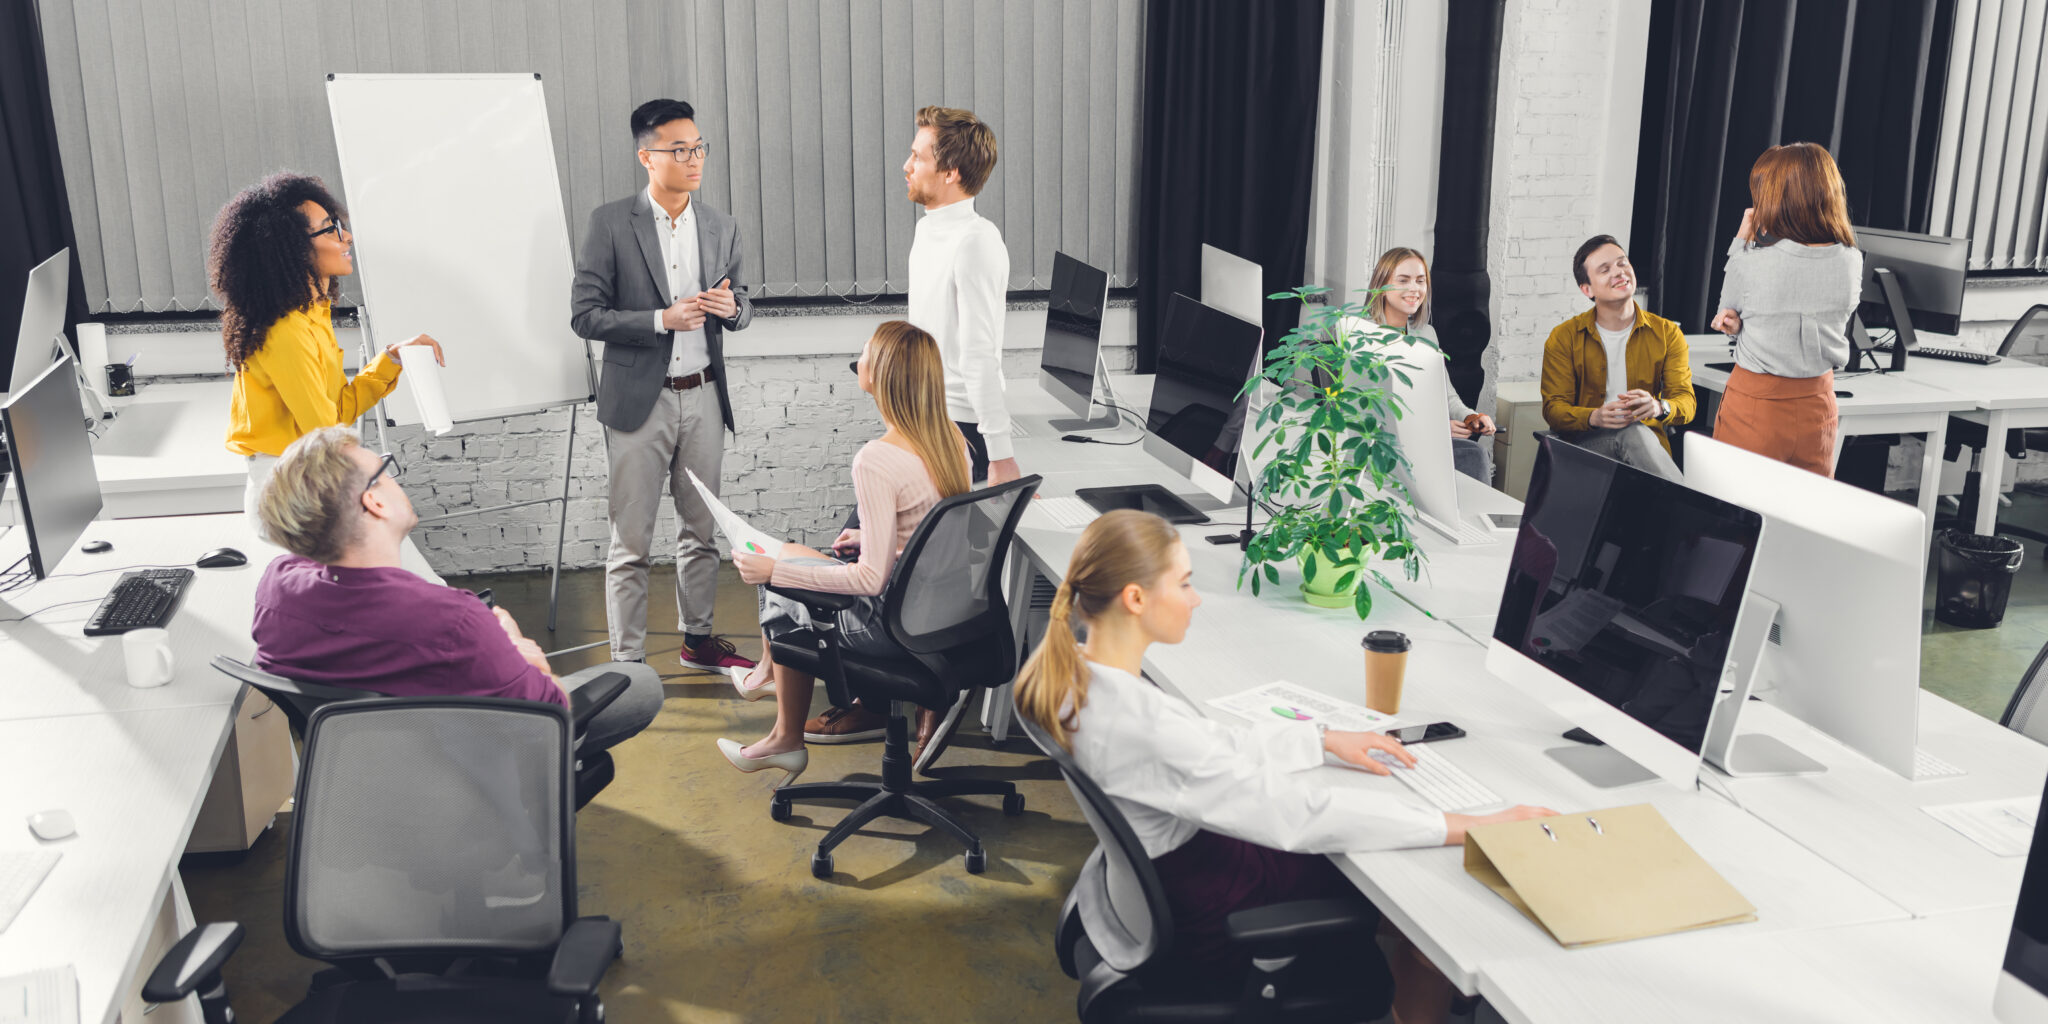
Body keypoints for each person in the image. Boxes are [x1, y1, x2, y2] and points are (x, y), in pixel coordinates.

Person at [1012, 509, 1555, 1015]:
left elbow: (1211, 749)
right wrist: (1465, 824)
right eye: (1183, 584)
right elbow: (1299, 814)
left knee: (1401, 868)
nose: (1196, 599)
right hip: (1211, 908)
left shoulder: (1071, 670)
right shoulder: (1141, 724)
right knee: (1426, 908)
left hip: (1171, 871)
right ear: (1134, 598)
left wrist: (1319, 740)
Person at [250, 426, 661, 755]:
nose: (395, 479)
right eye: (385, 470)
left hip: (364, 784)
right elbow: (548, 718)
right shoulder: (454, 620)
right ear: (374, 502)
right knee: (639, 682)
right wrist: (521, 649)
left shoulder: (274, 589)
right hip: (462, 770)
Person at [715, 321, 973, 782]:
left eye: (866, 352)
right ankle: (776, 699)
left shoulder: (876, 458)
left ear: (881, 374)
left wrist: (775, 570)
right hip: (941, 615)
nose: (860, 358)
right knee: (794, 553)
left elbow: (868, 581)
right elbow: (935, 536)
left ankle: (784, 728)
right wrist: (885, 538)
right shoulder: (951, 438)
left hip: (895, 626)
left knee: (782, 585)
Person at [571, 98, 756, 672]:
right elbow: (585, 316)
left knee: (701, 533)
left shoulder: (721, 226)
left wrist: (732, 308)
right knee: (631, 541)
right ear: (647, 156)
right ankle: (627, 664)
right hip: (637, 404)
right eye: (679, 149)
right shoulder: (609, 223)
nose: (694, 158)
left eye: (698, 147)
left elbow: (745, 304)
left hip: (702, 394)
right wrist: (659, 320)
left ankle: (698, 641)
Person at [210, 172, 442, 523]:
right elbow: (328, 434)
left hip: (304, 479)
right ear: (292, 248)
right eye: (330, 228)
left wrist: (391, 358)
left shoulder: (311, 314)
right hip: (291, 491)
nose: (346, 236)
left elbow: (334, 413)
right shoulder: (287, 330)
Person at [1708, 142, 1863, 477]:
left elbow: (1727, 309)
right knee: (1804, 515)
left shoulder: (1754, 261)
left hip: (1757, 404)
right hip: (1818, 405)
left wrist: (1742, 238)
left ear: (1777, 199)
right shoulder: (1851, 259)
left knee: (1737, 514)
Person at [902, 105, 1017, 487]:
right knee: (863, 535)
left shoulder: (976, 242)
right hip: (925, 418)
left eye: (918, 157)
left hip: (960, 431)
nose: (907, 165)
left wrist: (1001, 456)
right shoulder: (927, 230)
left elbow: (978, 355)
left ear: (950, 173)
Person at [1540, 236, 1693, 482]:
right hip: (1587, 446)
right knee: (1630, 432)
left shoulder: (1666, 333)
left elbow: (1685, 401)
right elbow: (1554, 409)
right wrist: (1594, 416)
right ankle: (1688, 511)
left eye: (1622, 263)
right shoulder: (1565, 337)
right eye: (1605, 270)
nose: (1619, 273)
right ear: (1587, 289)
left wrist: (1658, 407)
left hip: (1647, 445)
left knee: (1635, 433)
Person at [1361, 246, 1495, 483]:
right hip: (1380, 446)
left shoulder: (1426, 335)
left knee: (1475, 454)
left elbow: (1447, 396)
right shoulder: (1362, 337)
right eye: (1403, 280)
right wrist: (1437, 430)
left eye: (1420, 281)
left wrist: (1470, 416)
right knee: (1472, 457)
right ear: (1381, 286)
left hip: (1425, 444)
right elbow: (1370, 416)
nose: (1414, 289)